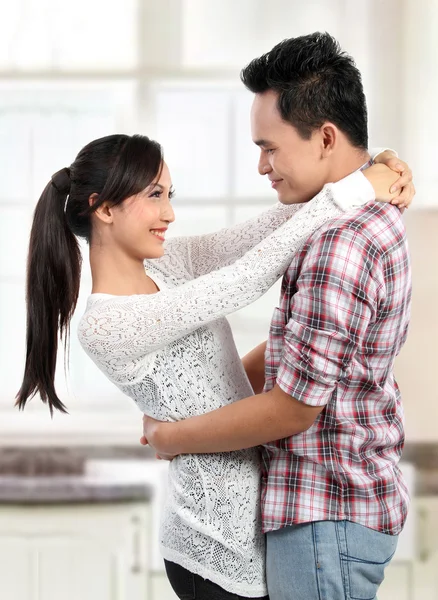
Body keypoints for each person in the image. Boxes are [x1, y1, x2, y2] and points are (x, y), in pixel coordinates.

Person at [16, 135, 412, 598]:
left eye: (170, 195)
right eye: (154, 195)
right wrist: (358, 189)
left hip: (254, 533)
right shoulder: (106, 323)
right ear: (103, 208)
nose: (169, 213)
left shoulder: (166, 266)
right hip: (212, 550)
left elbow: (266, 231)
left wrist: (368, 172)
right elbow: (244, 278)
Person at [141, 33, 413, 600]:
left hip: (324, 517)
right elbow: (301, 355)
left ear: (326, 138)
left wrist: (175, 436)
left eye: (270, 146)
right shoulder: (351, 219)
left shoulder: (342, 242)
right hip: (334, 515)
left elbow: (294, 407)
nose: (262, 166)